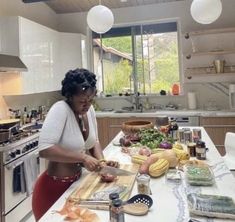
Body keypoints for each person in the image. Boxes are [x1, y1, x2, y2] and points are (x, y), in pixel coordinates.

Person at [32, 68, 107, 221]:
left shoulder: (89, 110)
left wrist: (102, 162)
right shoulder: (60, 109)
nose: (87, 105)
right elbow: (45, 149)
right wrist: (84, 158)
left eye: (91, 100)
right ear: (70, 96)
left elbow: (94, 142)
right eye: (82, 101)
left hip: (77, 184)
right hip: (53, 189)